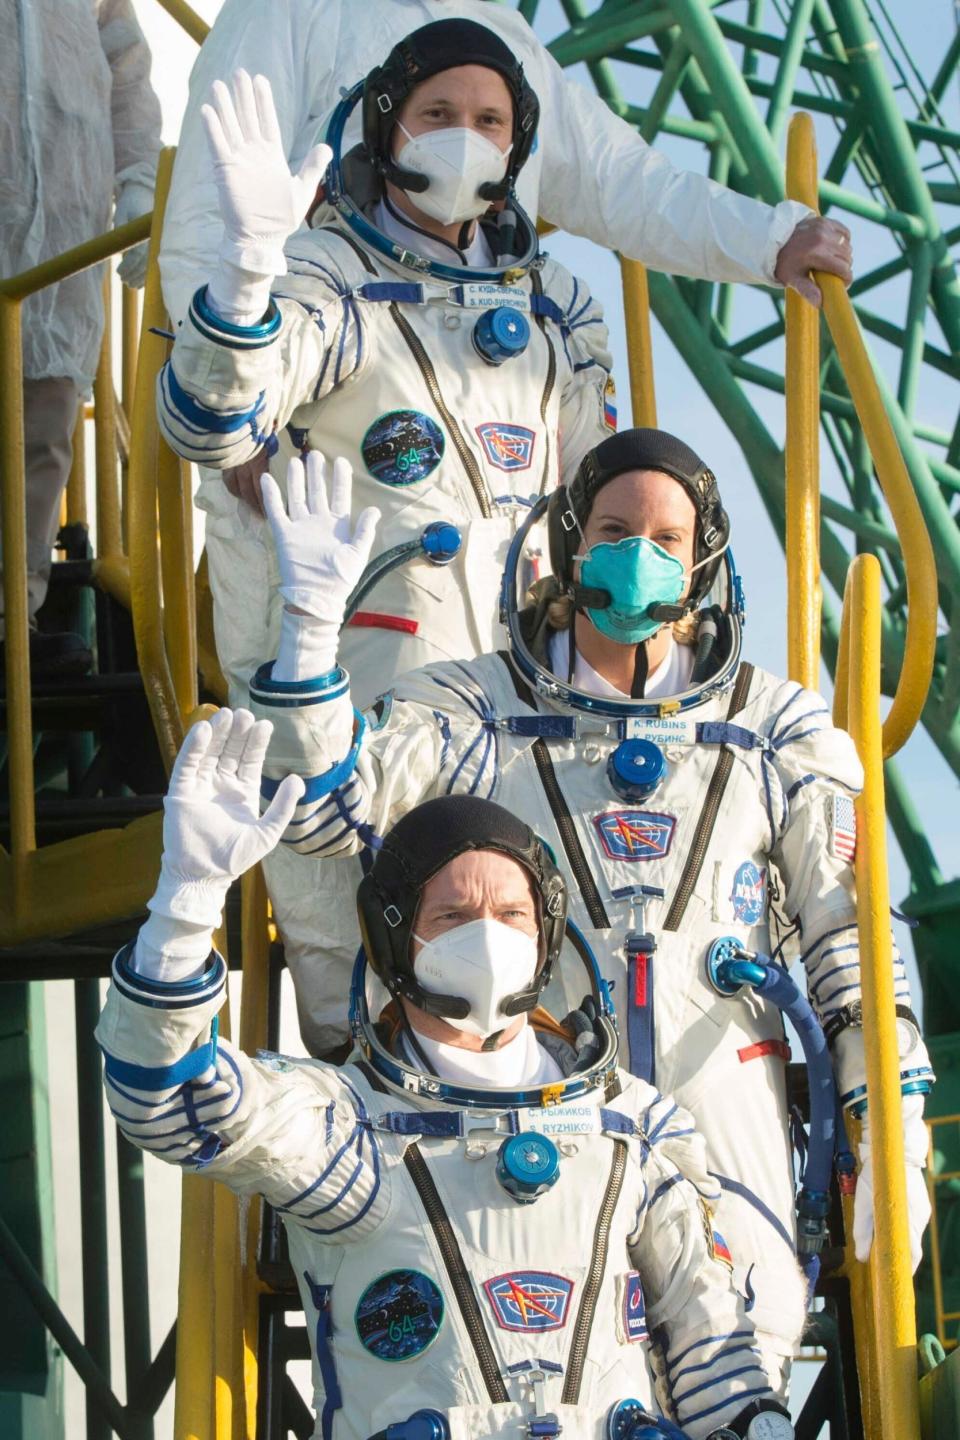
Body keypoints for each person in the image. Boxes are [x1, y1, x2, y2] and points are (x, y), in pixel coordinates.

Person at [247, 427, 934, 1394]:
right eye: (614, 529)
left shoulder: (777, 728)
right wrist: (311, 644)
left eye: (665, 536)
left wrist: (889, 1113)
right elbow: (328, 810)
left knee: (748, 1329)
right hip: (525, 1091)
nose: (637, 556)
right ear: (569, 540)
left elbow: (846, 927)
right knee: (538, 1372)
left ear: (703, 557)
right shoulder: (468, 708)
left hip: (721, 1084)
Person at [96, 725, 798, 1440]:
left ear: (547, 934)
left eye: (512, 914)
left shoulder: (634, 1126)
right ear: (395, 937)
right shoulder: (349, 1135)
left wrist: (757, 1423)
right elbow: (167, 1097)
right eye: (454, 916)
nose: (489, 938)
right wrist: (183, 909)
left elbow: (712, 1340)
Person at [158, 19, 615, 1057]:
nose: (467, 141)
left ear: (519, 142)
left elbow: (605, 488)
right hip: (367, 663)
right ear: (387, 124)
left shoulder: (556, 302)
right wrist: (240, 287)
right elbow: (209, 420)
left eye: (490, 122)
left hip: (526, 678)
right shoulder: (324, 275)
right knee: (355, 940)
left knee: (536, 936)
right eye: (440, 115)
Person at [160, 0, 852, 330]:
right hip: (314, 383)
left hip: (486, 387)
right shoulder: (287, 11)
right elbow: (207, 207)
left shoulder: (507, 38)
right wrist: (237, 404)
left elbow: (624, 182)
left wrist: (770, 239)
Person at [0, 0, 162, 675]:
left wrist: (140, 182)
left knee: (40, 440)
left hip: (64, 235)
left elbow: (126, 70)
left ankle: (15, 621)